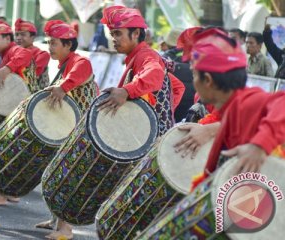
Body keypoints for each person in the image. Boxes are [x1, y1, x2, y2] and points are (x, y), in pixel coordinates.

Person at [177, 28, 285, 187]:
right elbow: (211, 172)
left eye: (194, 74)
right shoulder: (229, 112)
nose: (193, 83)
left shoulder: (249, 100)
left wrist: (259, 145)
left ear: (207, 80)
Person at [35, 20, 98, 240]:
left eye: (53, 43)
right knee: (57, 173)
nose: (49, 47)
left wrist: (62, 87)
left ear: (68, 45)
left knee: (68, 177)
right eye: (48, 42)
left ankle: (65, 229)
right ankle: (55, 221)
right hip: (71, 129)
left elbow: (80, 72)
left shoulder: (80, 60)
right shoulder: (65, 63)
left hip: (82, 132)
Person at [0, 20, 36, 206]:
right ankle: (9, 192)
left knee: (4, 151)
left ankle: (2, 195)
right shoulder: (6, 52)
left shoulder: (14, 50)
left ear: (7, 38)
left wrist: (6, 68)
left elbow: (26, 55)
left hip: (18, 110)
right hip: (16, 109)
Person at [97, 5, 174, 136]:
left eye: (118, 33)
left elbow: (155, 72)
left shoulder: (145, 55)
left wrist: (126, 91)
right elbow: (177, 86)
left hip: (152, 139)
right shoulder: (136, 57)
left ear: (136, 33)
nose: (114, 39)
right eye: (112, 34)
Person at [15, 18, 50, 89]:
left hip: (36, 98)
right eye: (17, 34)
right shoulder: (13, 53)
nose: (18, 38)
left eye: (23, 34)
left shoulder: (42, 55)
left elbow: (30, 76)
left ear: (33, 37)